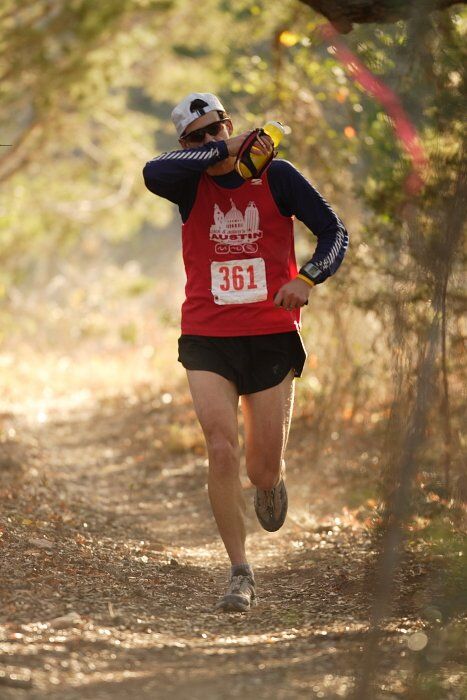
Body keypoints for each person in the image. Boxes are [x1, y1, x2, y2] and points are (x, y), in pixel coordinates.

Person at [143, 92, 348, 612]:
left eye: (218, 129)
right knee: (221, 447)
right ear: (186, 145)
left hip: (270, 333)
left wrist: (307, 278)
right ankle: (240, 571)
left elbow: (334, 232)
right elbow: (152, 168)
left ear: (229, 123)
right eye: (199, 137)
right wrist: (225, 149)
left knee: (259, 469)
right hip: (208, 334)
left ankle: (271, 481)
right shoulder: (185, 183)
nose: (211, 141)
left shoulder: (277, 177)